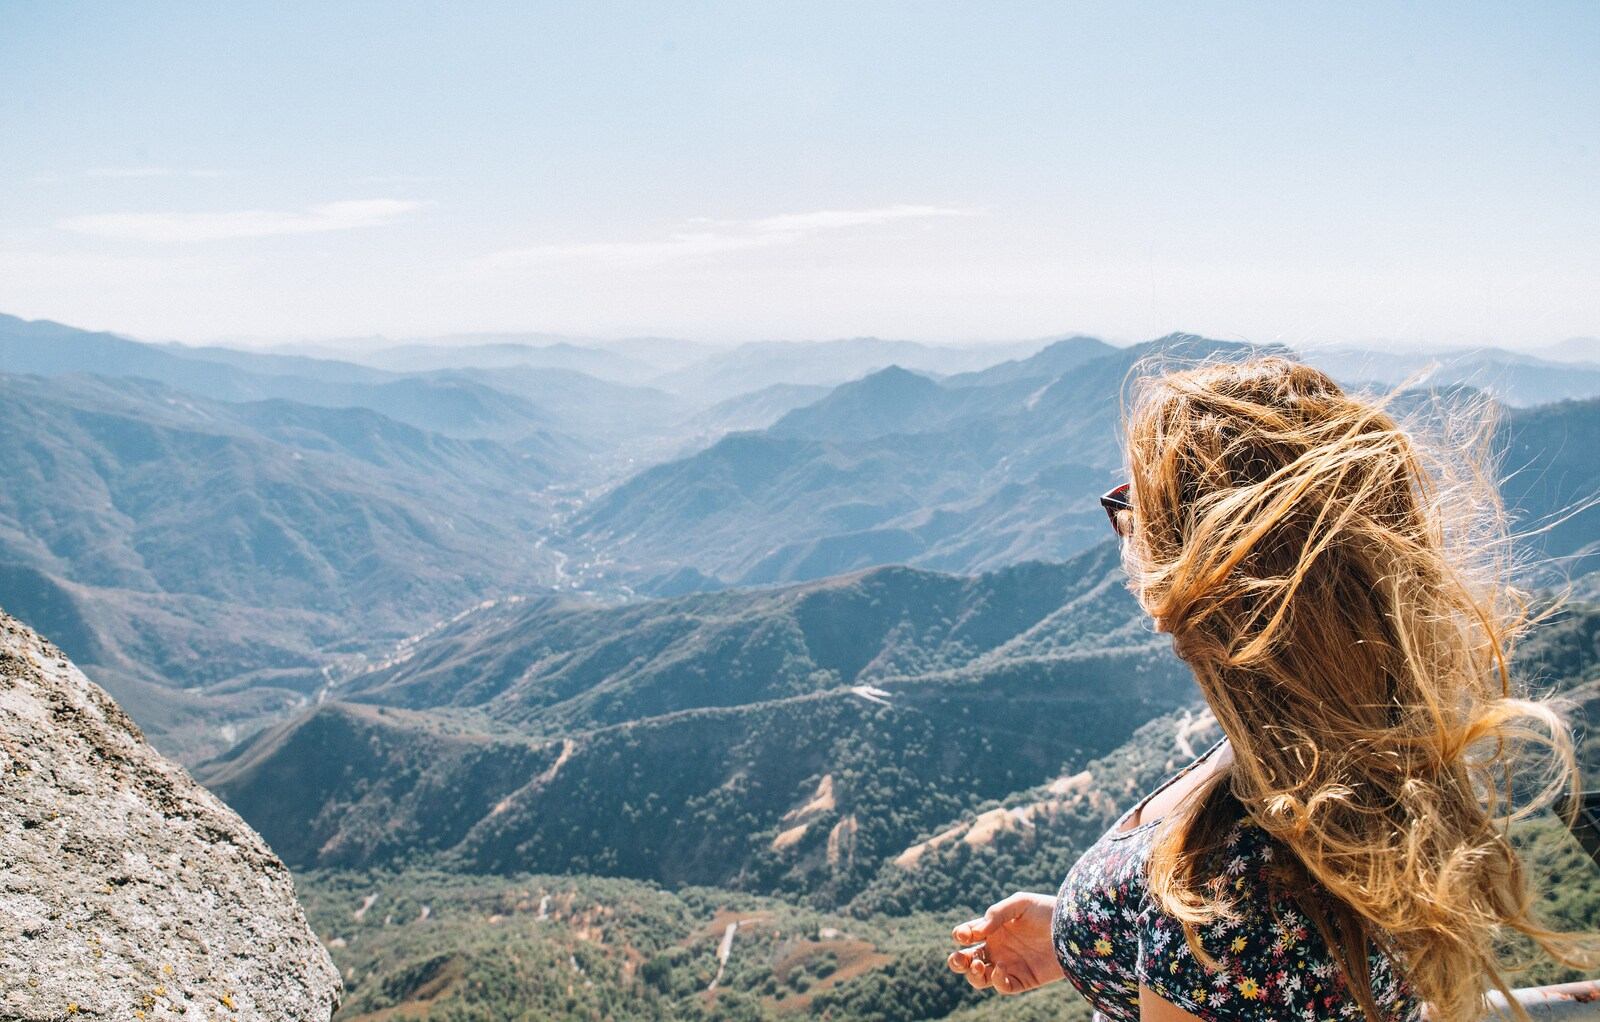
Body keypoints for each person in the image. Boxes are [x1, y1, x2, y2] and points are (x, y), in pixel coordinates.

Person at [946, 356, 1596, 1021]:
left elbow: (1233, 950)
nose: (1125, 532)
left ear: (1208, 573)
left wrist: (1162, 944)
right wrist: (1088, 934)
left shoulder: (1228, 898)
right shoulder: (1344, 743)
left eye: (1135, 509)